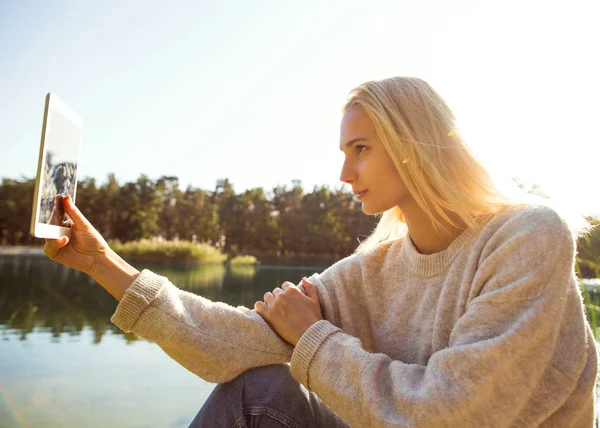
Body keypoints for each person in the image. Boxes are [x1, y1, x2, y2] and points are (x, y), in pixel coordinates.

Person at [43, 77, 597, 427]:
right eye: (343, 151)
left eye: (360, 150)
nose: (343, 173)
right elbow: (232, 347)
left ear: (415, 147)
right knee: (257, 389)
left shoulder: (527, 237)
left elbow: (453, 412)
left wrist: (314, 339)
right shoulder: (372, 272)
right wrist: (102, 263)